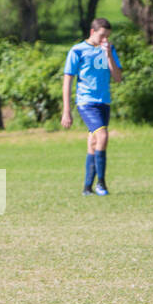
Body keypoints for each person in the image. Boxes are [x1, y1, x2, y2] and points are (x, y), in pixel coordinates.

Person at [60, 17, 123, 195]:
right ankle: (101, 183)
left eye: (107, 36)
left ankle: (87, 187)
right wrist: (67, 110)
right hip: (86, 102)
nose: (105, 40)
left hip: (104, 102)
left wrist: (109, 54)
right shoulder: (77, 51)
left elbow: (118, 78)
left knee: (94, 142)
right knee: (102, 136)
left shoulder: (109, 50)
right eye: (102, 36)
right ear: (92, 32)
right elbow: (67, 81)